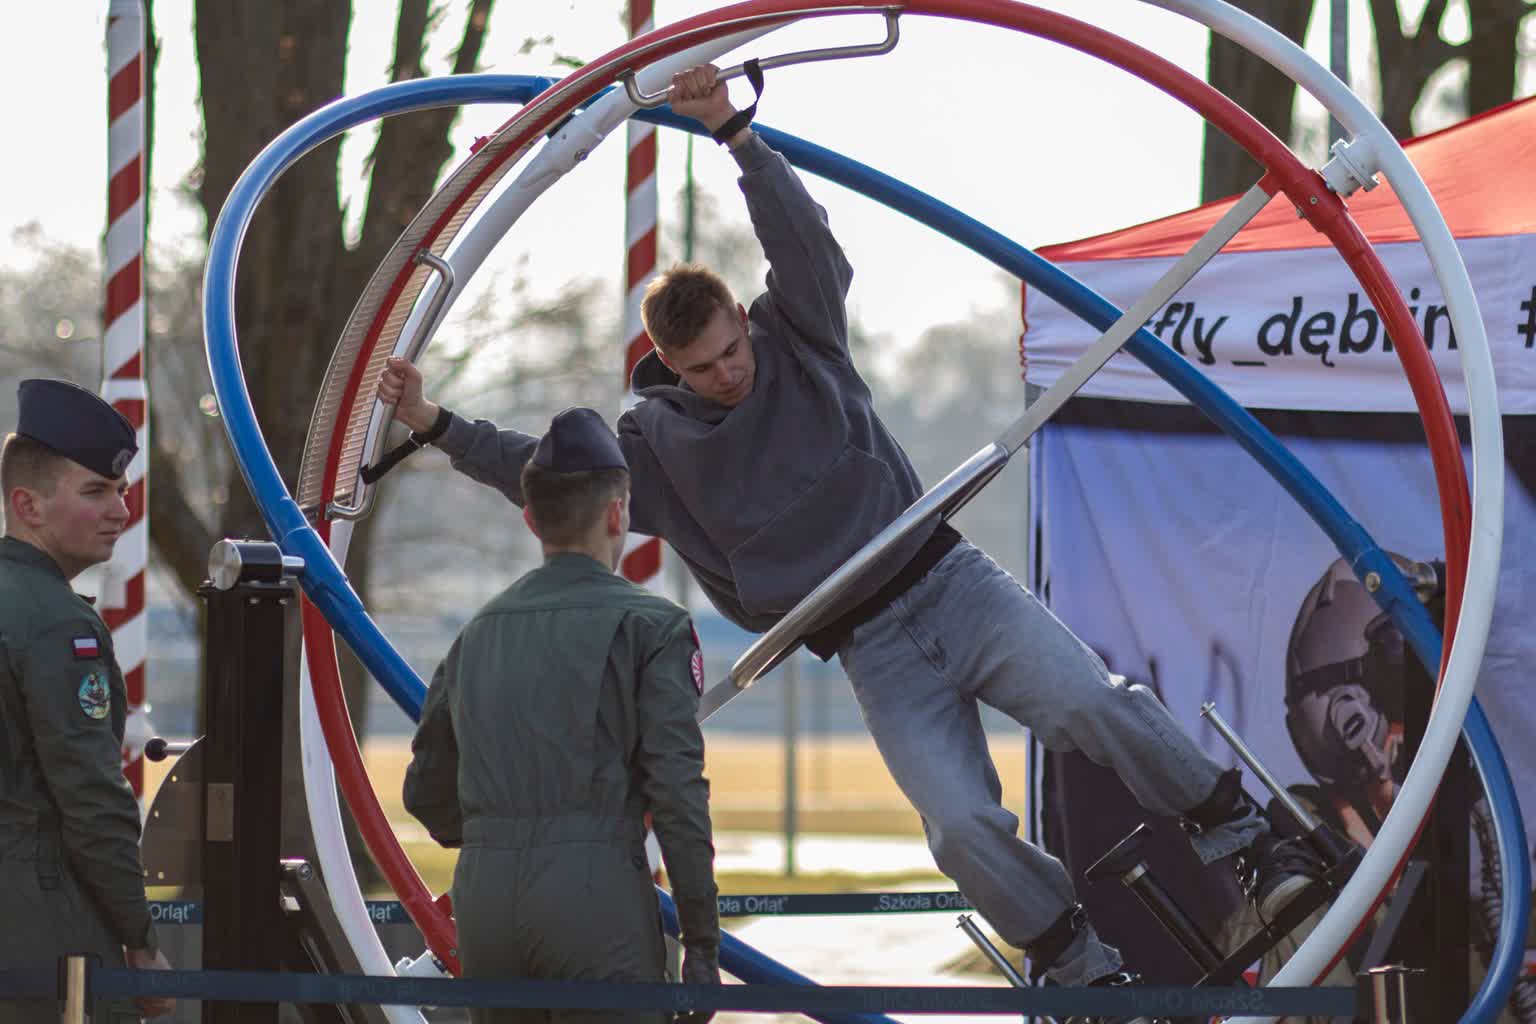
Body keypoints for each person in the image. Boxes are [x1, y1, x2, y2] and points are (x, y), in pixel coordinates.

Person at [380, 65, 1323, 1002]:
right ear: (666, 364)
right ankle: (1078, 965)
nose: (728, 374)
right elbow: (547, 472)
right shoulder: (657, 451)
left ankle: (1245, 836)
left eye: (732, 350)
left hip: (950, 581)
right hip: (870, 646)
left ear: (744, 321)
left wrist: (735, 133)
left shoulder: (800, 338)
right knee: (957, 826)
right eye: (702, 368)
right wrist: (434, 424)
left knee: (1089, 702)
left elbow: (806, 243)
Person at [403, 407, 719, 1024]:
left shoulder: (478, 631)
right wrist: (702, 942)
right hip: (595, 897)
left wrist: (503, 834)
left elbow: (425, 791)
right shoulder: (653, 625)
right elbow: (677, 791)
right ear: (617, 514)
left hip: (486, 900)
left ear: (530, 519)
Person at [0, 378, 174, 1022]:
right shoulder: (55, 623)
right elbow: (91, 797)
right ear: (27, 504)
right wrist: (140, 940)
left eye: (121, 491)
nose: (121, 511)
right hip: (38, 925)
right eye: (96, 491)